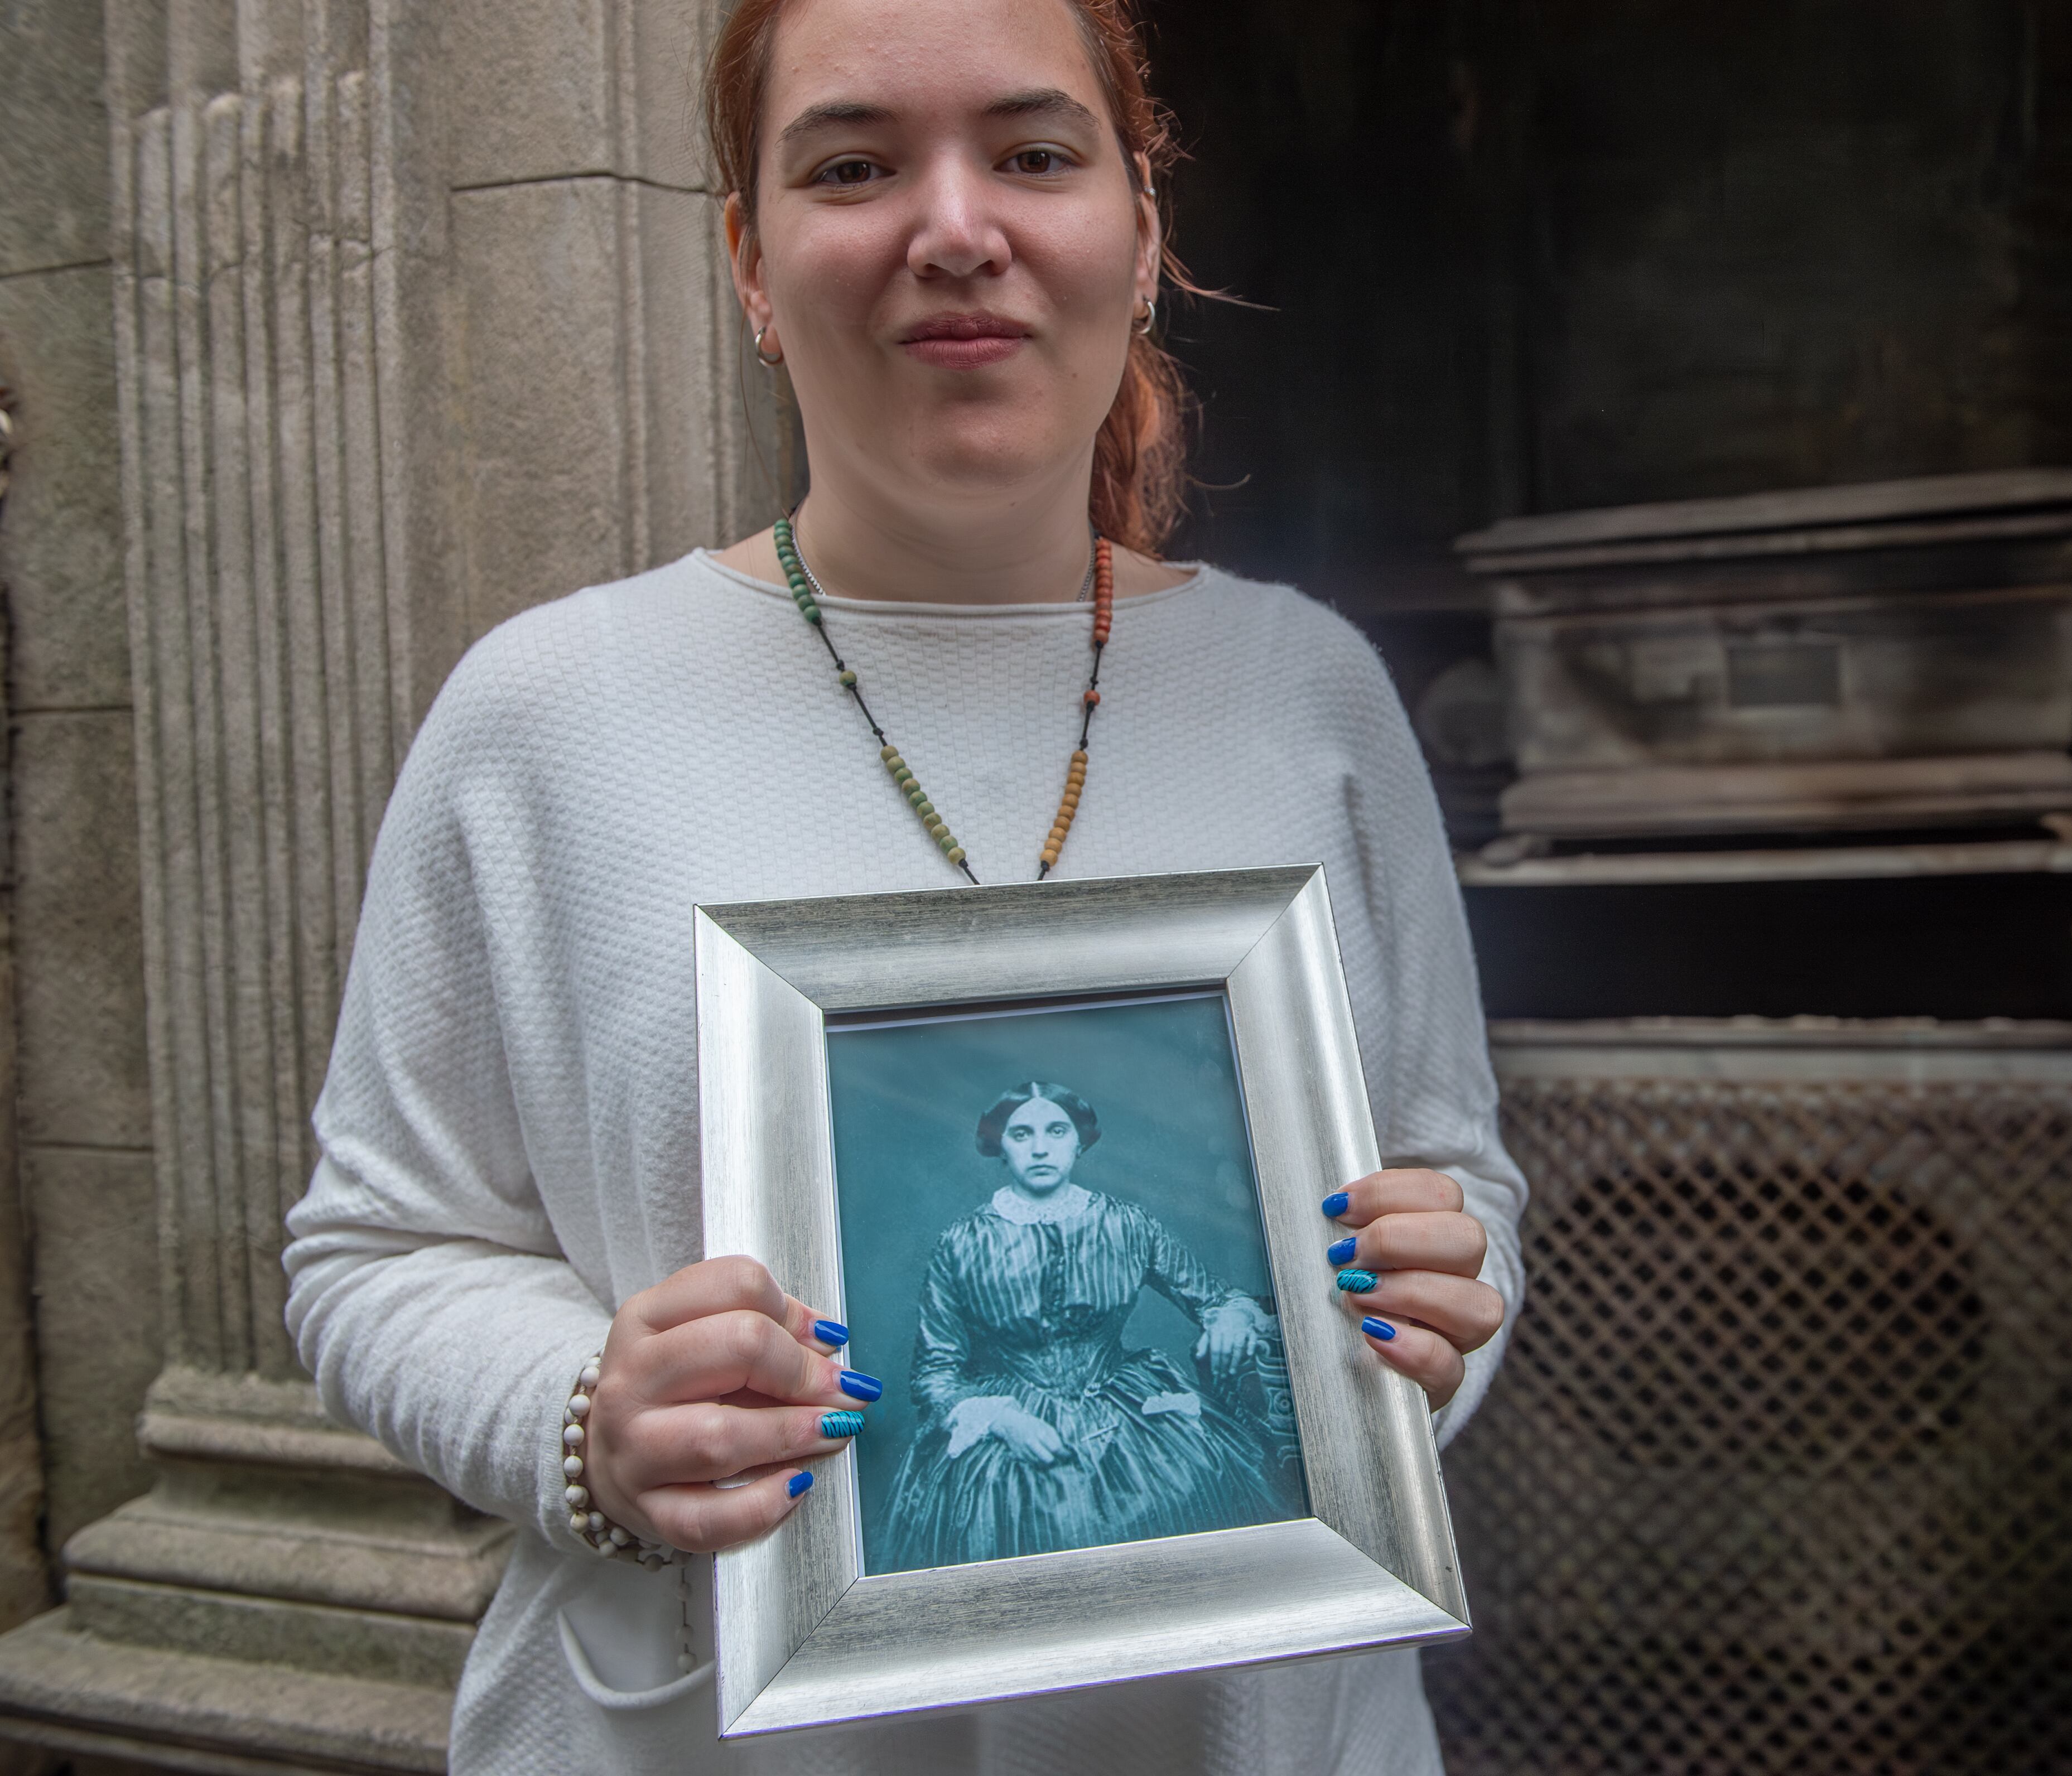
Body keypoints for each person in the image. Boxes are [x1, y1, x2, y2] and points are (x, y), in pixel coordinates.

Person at [279, 0, 1525, 1769]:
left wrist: (1419, 1326)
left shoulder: (1307, 691)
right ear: (752, 261)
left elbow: (1454, 1172)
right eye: (854, 165)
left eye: (1033, 153)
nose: (956, 230)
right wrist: (588, 1423)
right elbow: (376, 1247)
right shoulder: (548, 715)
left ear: (1142, 229)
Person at [874, 1082, 1300, 1572]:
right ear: (1000, 1147)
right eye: (1021, 1133)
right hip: (1011, 1421)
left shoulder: (1128, 1225)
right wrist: (1004, 1420)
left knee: (1195, 1495)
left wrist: (1229, 1318)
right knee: (1034, 1524)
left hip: (1129, 1410)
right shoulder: (962, 1244)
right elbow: (934, 1376)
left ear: (1080, 1142)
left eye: (1056, 1131)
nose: (1039, 1147)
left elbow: (1214, 1297)